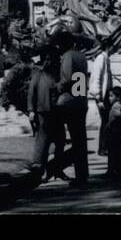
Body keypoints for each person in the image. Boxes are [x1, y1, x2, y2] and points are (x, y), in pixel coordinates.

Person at [53, 31, 90, 186]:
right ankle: (82, 175)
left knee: (59, 137)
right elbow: (79, 82)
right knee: (80, 140)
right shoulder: (81, 56)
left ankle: (55, 167)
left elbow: (67, 78)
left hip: (68, 102)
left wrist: (57, 88)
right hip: (80, 99)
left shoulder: (68, 56)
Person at [28, 52, 67, 181]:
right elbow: (31, 93)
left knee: (60, 141)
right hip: (42, 112)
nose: (49, 62)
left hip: (57, 112)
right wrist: (31, 111)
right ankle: (41, 169)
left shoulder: (59, 75)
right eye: (47, 59)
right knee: (43, 142)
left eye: (52, 59)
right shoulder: (38, 75)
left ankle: (58, 170)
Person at [89, 44, 113, 156]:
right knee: (106, 122)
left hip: (105, 95)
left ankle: (105, 147)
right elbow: (97, 78)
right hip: (102, 96)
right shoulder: (101, 58)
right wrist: (98, 98)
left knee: (106, 122)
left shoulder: (104, 58)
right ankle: (103, 148)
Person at [104, 86, 121, 181]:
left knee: (113, 153)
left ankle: (113, 171)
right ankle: (119, 171)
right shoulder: (119, 105)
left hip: (116, 133)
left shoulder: (116, 106)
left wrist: (110, 124)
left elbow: (118, 114)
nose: (109, 98)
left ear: (118, 97)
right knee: (118, 153)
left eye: (111, 96)